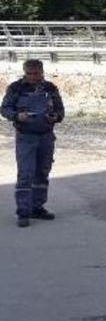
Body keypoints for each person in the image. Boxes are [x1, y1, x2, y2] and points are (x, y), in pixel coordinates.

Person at [1, 59, 65, 228]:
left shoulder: (50, 88)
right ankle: (23, 211)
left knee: (42, 172)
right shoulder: (16, 88)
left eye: (35, 73)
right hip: (26, 137)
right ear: (25, 73)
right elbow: (5, 109)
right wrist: (16, 116)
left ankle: (37, 207)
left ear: (41, 72)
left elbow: (60, 111)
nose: (32, 77)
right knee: (26, 174)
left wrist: (55, 117)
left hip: (46, 136)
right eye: (29, 74)